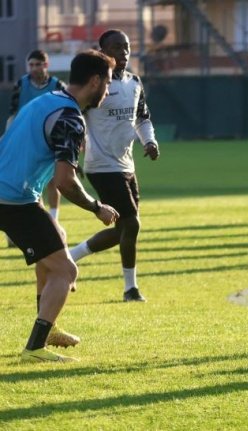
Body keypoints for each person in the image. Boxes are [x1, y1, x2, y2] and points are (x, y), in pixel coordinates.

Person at [0, 50, 119, 362]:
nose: (108, 91)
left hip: (14, 195)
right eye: (108, 83)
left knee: (57, 240)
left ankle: (48, 326)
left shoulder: (47, 100)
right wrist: (97, 207)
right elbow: (65, 181)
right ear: (95, 81)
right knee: (66, 270)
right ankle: (35, 348)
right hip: (11, 200)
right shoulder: (69, 118)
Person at [69, 29, 159, 302]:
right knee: (131, 224)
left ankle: (70, 256)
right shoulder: (96, 85)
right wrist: (74, 155)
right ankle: (131, 289)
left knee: (125, 228)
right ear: (102, 52)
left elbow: (142, 118)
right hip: (101, 165)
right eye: (117, 47)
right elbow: (74, 117)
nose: (124, 52)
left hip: (126, 165)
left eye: (127, 47)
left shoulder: (134, 82)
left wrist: (150, 141)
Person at [5, 50, 67, 247]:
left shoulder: (57, 86)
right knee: (26, 183)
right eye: (31, 65)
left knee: (52, 181)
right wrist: (8, 138)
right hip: (26, 141)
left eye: (37, 64)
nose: (34, 68)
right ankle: (18, 230)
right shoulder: (21, 84)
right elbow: (13, 113)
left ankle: (53, 221)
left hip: (50, 141)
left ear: (46, 65)